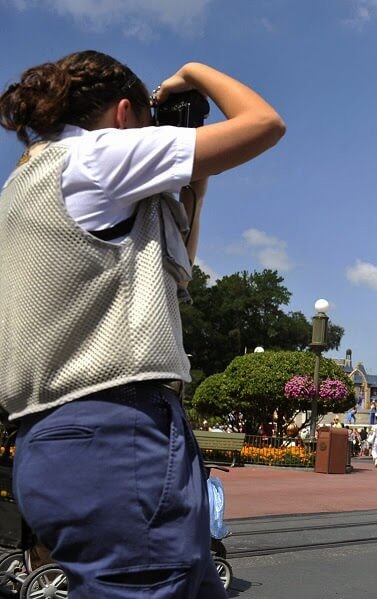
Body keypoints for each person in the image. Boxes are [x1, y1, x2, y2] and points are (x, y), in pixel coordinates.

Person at [0, 52, 284, 597]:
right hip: (117, 435)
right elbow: (264, 124)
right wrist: (196, 71)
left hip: (49, 441)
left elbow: (173, 280)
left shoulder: (26, 181)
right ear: (126, 113)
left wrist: (193, 183)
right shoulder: (101, 154)